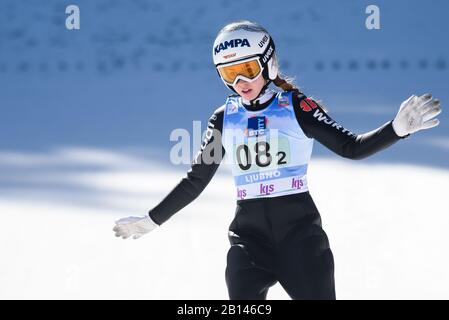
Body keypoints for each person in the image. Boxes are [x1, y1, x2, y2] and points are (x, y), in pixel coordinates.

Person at [113, 20, 442, 300]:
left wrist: (396, 130)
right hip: (248, 243)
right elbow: (196, 180)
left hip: (300, 240)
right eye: (229, 74)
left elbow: (350, 148)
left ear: (268, 64)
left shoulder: (296, 107)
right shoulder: (224, 119)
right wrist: (152, 219)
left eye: (247, 70)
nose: (239, 83)